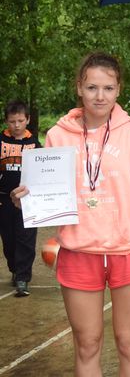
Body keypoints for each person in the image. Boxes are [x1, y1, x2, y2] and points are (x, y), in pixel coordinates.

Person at [11, 52, 130, 374]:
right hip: (78, 252)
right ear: (79, 88)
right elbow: (48, 194)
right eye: (92, 87)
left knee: (129, 341)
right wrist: (27, 201)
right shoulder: (57, 136)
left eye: (108, 88)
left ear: (118, 89)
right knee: (87, 343)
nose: (100, 96)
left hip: (128, 253)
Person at [0, 100, 42, 297]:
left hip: (28, 201)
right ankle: (15, 269)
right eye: (12, 121)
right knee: (9, 241)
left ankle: (23, 278)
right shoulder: (1, 141)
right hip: (4, 201)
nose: (16, 125)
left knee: (26, 239)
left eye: (20, 121)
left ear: (28, 119)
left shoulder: (34, 144)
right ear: (6, 121)